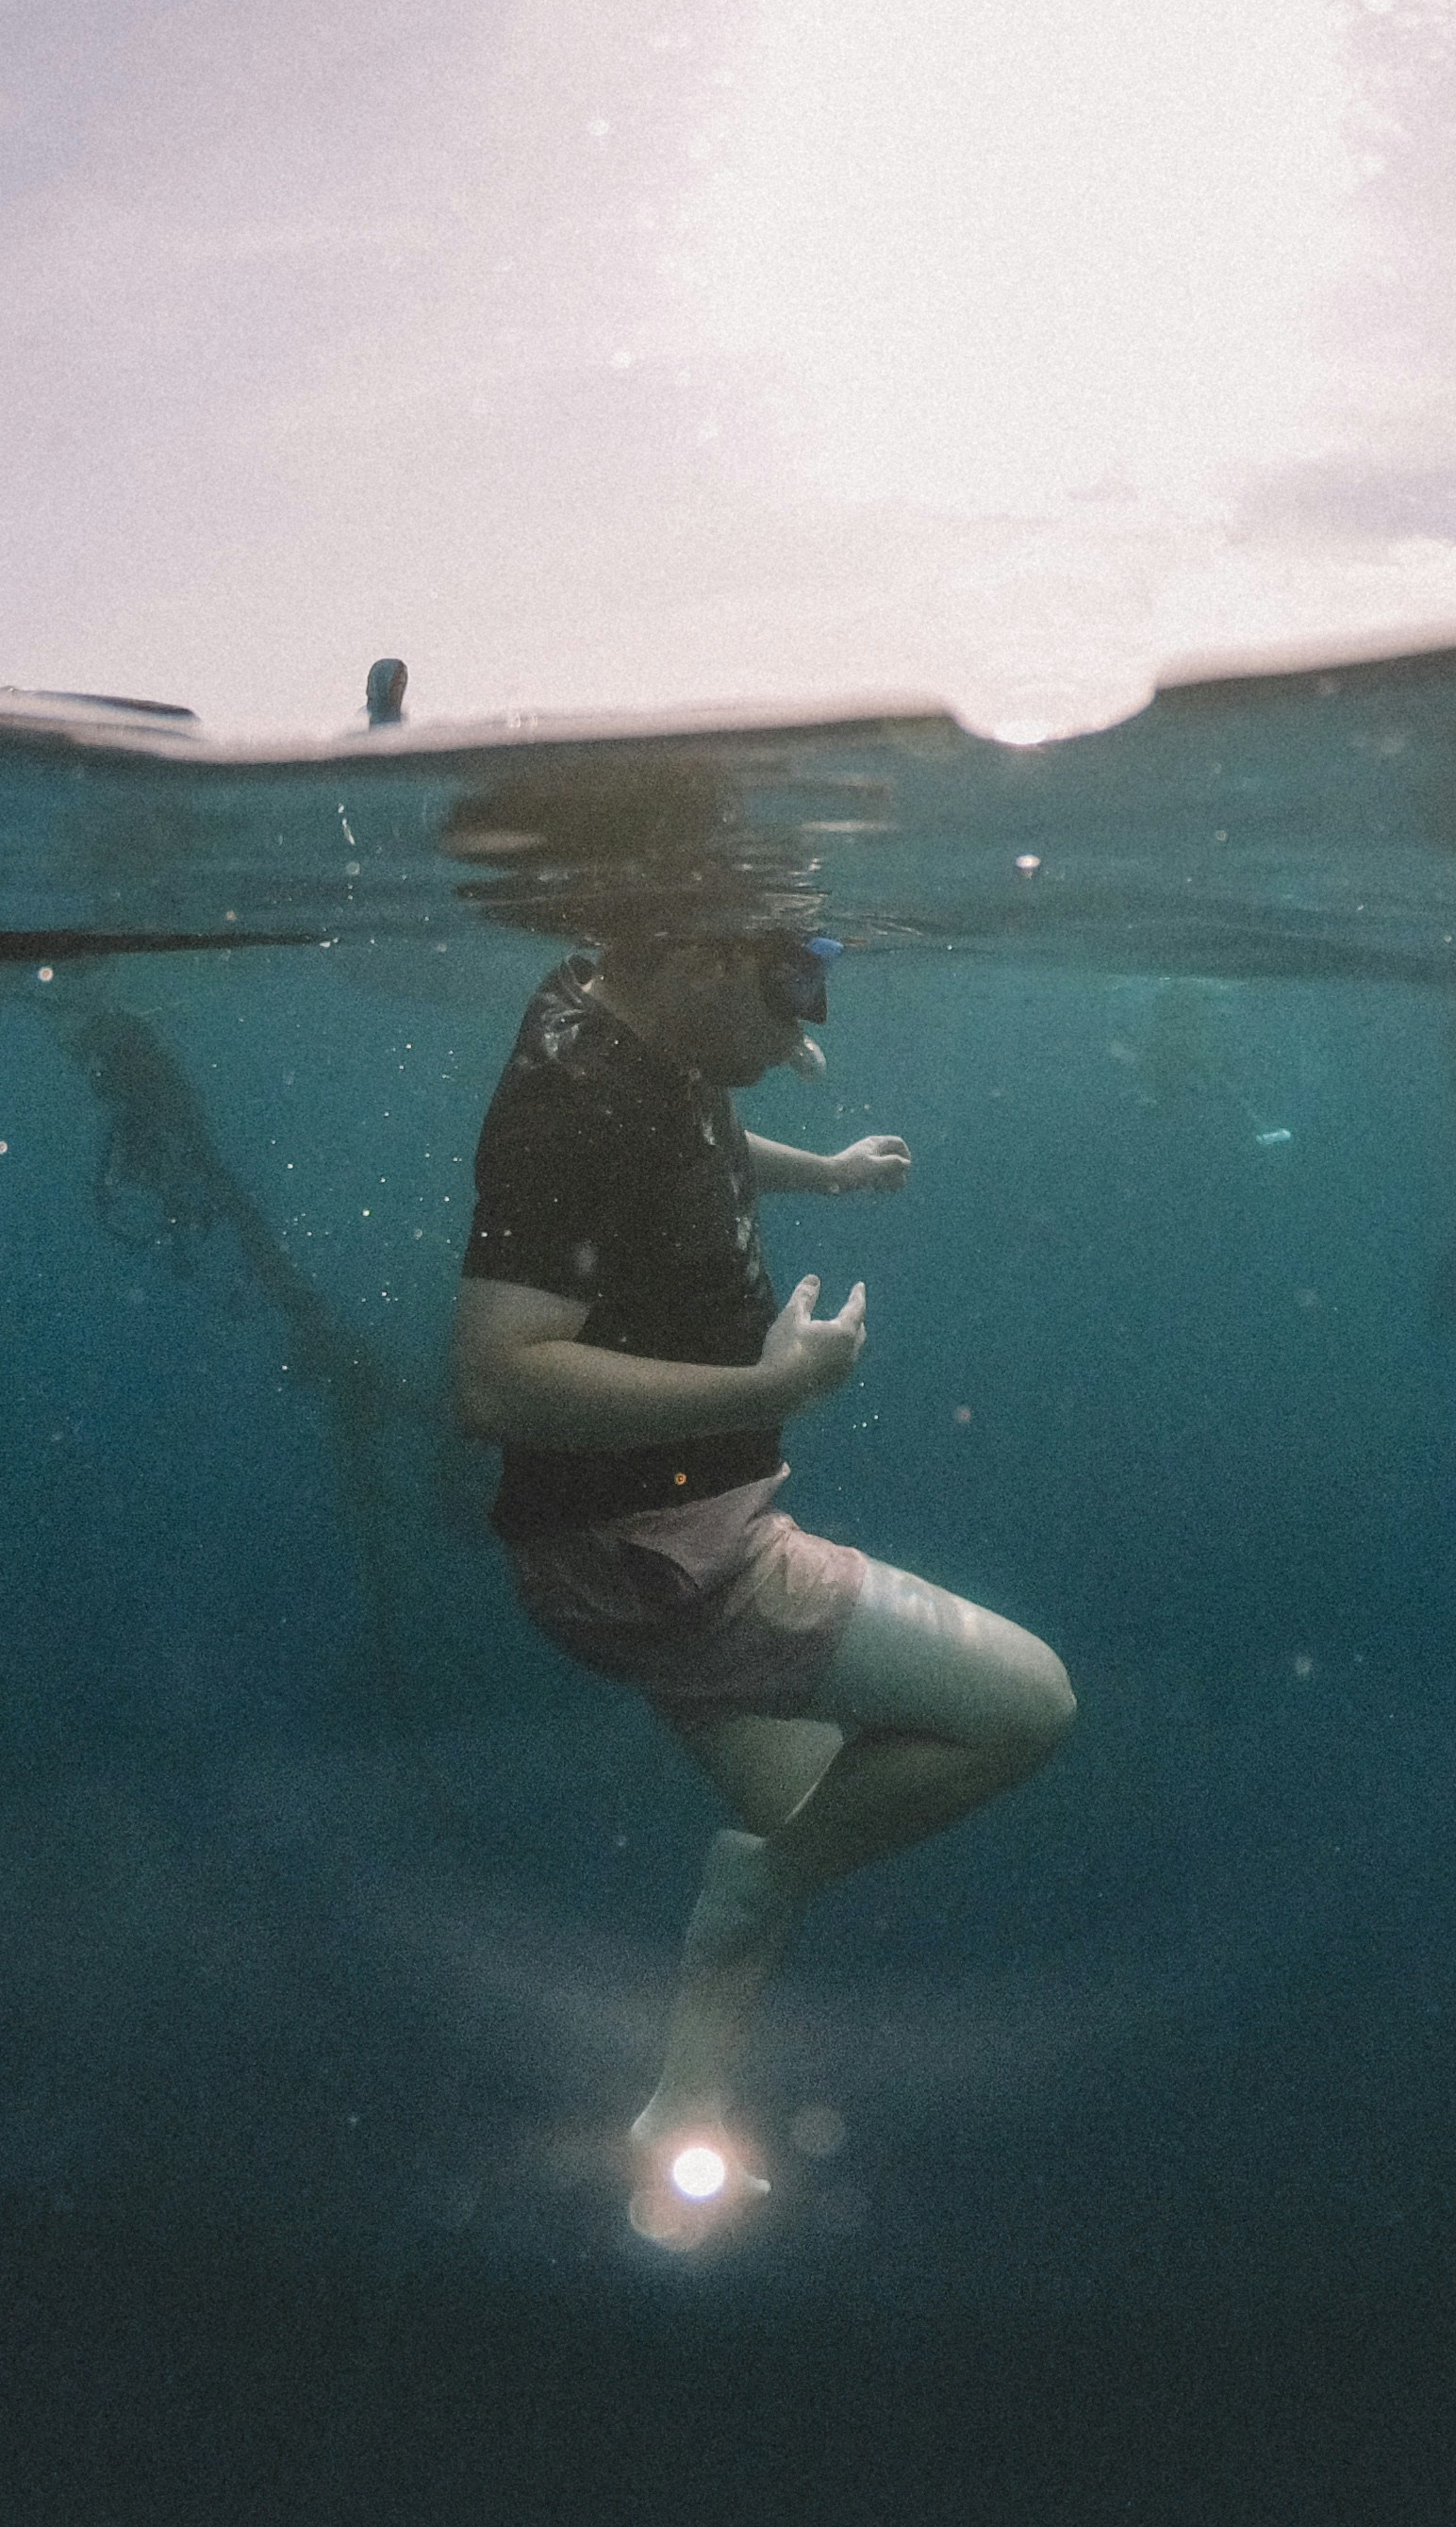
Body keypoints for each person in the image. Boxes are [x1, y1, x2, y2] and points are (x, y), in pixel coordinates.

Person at [452, 924, 1074, 2221]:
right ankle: (764, 1881)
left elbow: (687, 1141)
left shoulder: (613, 1010)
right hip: (673, 1562)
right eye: (787, 987)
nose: (810, 1026)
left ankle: (680, 2107)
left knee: (810, 1801)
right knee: (1024, 1705)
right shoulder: (572, 1103)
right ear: (689, 954)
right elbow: (497, 1378)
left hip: (645, 1545)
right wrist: (774, 1385)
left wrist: (825, 1174)